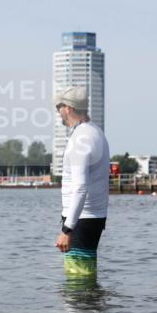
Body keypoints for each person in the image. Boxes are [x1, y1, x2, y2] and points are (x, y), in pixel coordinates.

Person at [54, 86, 110, 277]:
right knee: (86, 275)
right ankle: (92, 306)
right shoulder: (96, 132)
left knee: (77, 279)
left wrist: (67, 229)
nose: (58, 112)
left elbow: (80, 187)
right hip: (93, 216)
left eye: (58, 107)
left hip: (81, 218)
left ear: (68, 108)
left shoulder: (81, 139)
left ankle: (79, 307)